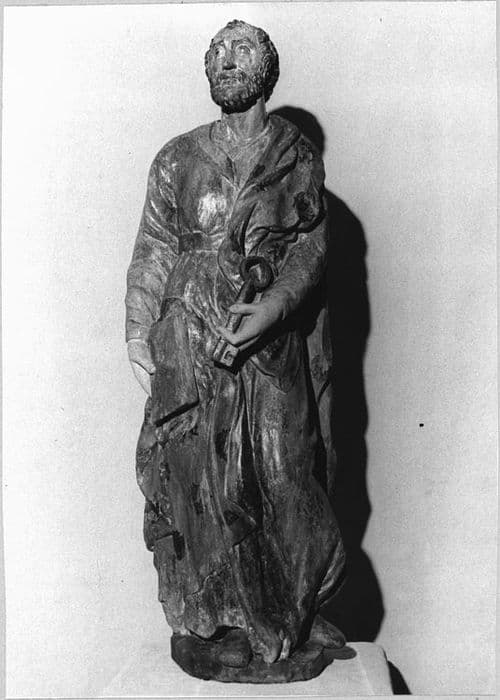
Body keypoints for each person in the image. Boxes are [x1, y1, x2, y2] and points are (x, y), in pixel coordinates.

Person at [125, 19, 346, 673]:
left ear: (266, 70)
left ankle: (287, 610)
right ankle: (220, 619)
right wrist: (137, 332)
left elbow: (310, 248)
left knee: (285, 475)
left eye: (241, 48)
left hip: (269, 341)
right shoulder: (177, 158)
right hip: (191, 338)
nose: (225, 59)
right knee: (199, 478)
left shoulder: (295, 156)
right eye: (216, 51)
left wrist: (273, 307)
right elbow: (154, 249)